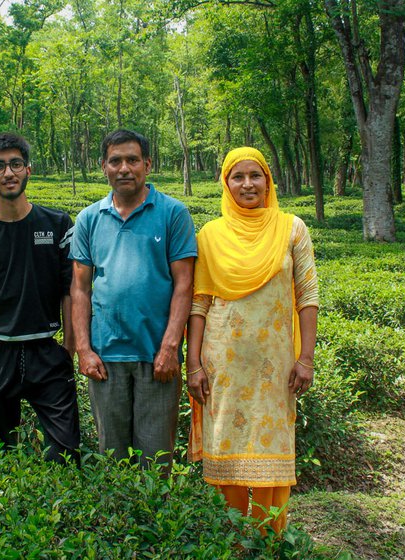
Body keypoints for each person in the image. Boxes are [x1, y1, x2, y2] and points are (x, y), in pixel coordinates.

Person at [186, 146, 319, 535]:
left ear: (268, 181)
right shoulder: (210, 235)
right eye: (238, 176)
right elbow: (199, 303)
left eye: (255, 175)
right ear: (225, 184)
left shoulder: (292, 228)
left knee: (270, 457)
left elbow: (307, 296)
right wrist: (193, 363)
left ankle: (267, 541)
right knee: (226, 454)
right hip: (221, 368)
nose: (247, 184)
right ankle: (232, 543)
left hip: (275, 369)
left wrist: (306, 358)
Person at [70, 129, 196, 468]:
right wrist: (83, 349)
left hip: (157, 357)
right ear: (103, 167)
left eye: (132, 160)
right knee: (112, 457)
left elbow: (184, 285)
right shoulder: (89, 219)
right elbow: (80, 289)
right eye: (115, 161)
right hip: (105, 357)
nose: (124, 168)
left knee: (155, 460)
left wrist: (171, 346)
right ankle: (118, 521)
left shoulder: (173, 214)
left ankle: (154, 520)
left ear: (147, 164)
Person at [0, 132, 80, 465]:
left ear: (28, 170)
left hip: (46, 352)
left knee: (65, 454)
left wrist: (68, 346)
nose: (8, 173)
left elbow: (71, 289)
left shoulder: (57, 224)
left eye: (15, 164)